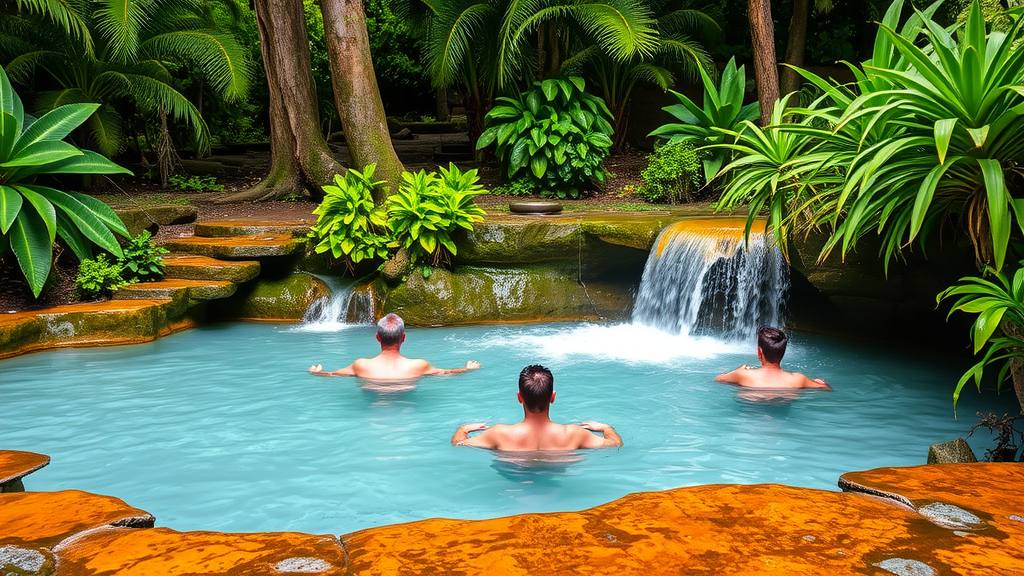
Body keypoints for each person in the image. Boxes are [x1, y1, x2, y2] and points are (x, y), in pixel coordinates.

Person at [452, 365, 622, 450]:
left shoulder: (499, 434)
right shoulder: (574, 434)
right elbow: (615, 444)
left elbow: (458, 444)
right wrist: (607, 428)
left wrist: (463, 429)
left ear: (519, 398)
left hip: (514, 489)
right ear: (553, 397)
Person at [308, 313, 481, 380]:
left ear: (377, 338)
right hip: (406, 408)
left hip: (372, 408)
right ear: (403, 338)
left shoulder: (360, 365)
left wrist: (317, 373)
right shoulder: (419, 365)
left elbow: (331, 375)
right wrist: (467, 368)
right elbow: (447, 372)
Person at [715, 327, 831, 390]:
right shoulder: (798, 379)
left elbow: (719, 379)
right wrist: (822, 383)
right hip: (782, 421)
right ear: (783, 352)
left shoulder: (743, 374)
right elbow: (825, 388)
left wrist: (736, 371)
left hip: (750, 421)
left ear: (760, 352)